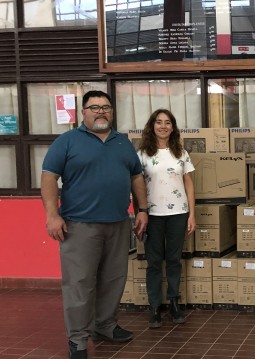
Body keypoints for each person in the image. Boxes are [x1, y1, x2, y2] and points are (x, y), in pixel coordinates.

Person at [41, 90, 148, 359]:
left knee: (113, 280)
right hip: (79, 226)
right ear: (83, 112)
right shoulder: (66, 142)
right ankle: (77, 339)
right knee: (80, 283)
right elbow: (49, 178)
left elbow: (136, 178)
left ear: (112, 112)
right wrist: (52, 215)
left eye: (106, 107)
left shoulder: (122, 143)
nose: (101, 112)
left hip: (118, 223)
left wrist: (142, 210)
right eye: (94, 107)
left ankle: (105, 326)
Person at [137, 109, 196, 329]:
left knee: (173, 261)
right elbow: (136, 185)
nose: (163, 126)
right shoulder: (142, 153)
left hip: (178, 214)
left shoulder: (180, 152)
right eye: (159, 122)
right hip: (152, 215)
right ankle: (154, 307)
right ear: (152, 126)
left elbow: (189, 183)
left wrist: (192, 214)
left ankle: (173, 303)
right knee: (153, 263)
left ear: (173, 127)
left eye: (168, 122)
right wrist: (138, 213)